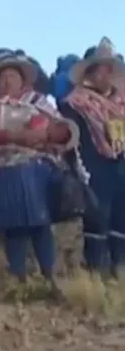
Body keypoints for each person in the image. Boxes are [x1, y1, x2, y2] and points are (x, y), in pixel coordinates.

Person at [0, 48, 77, 296]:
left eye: (13, 76)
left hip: (36, 170)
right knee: (13, 227)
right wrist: (15, 135)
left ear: (23, 79)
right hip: (3, 171)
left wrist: (46, 133)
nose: (8, 81)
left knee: (41, 224)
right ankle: (20, 278)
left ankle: (49, 276)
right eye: (3, 77)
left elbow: (64, 130)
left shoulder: (39, 103)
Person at [61, 38, 125, 276]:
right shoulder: (76, 103)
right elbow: (70, 138)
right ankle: (95, 269)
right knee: (98, 216)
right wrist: (75, 167)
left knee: (122, 215)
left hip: (121, 163)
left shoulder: (122, 100)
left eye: (109, 69)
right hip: (93, 165)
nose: (105, 74)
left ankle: (119, 266)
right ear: (90, 72)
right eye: (99, 69)